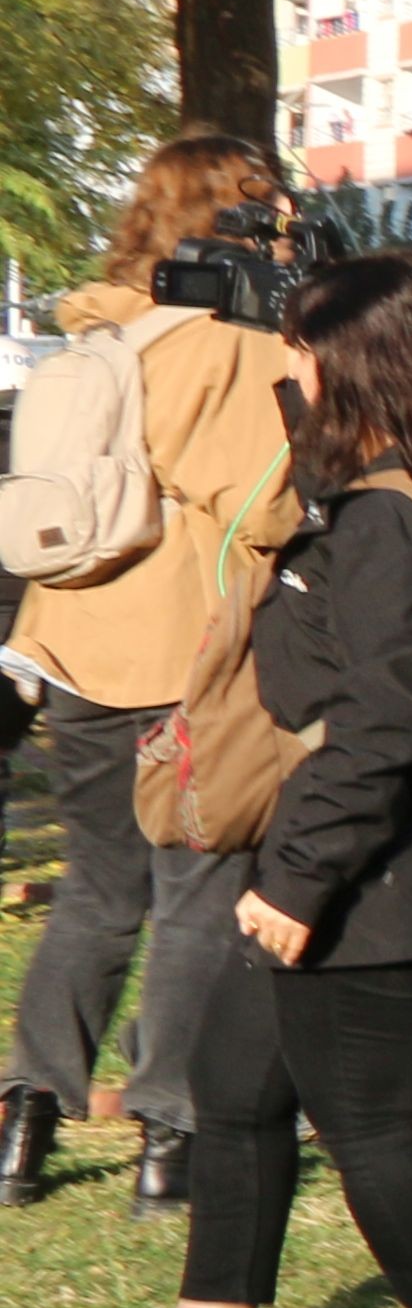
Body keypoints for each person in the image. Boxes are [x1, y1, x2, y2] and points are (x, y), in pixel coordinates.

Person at [46, 254, 412, 1308]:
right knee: (233, 1086)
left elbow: (385, 723)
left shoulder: (392, 524)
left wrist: (303, 880)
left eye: (302, 351)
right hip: (349, 857)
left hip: (371, 871)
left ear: (360, 369)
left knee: (369, 1125)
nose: (287, 366)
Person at [0, 136, 309, 1217]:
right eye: (270, 205)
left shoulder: (97, 328)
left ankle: (25, 1121)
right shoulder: (227, 341)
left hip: (71, 644)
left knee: (96, 891)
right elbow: (264, 505)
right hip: (189, 655)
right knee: (196, 897)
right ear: (238, 213)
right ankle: (170, 1137)